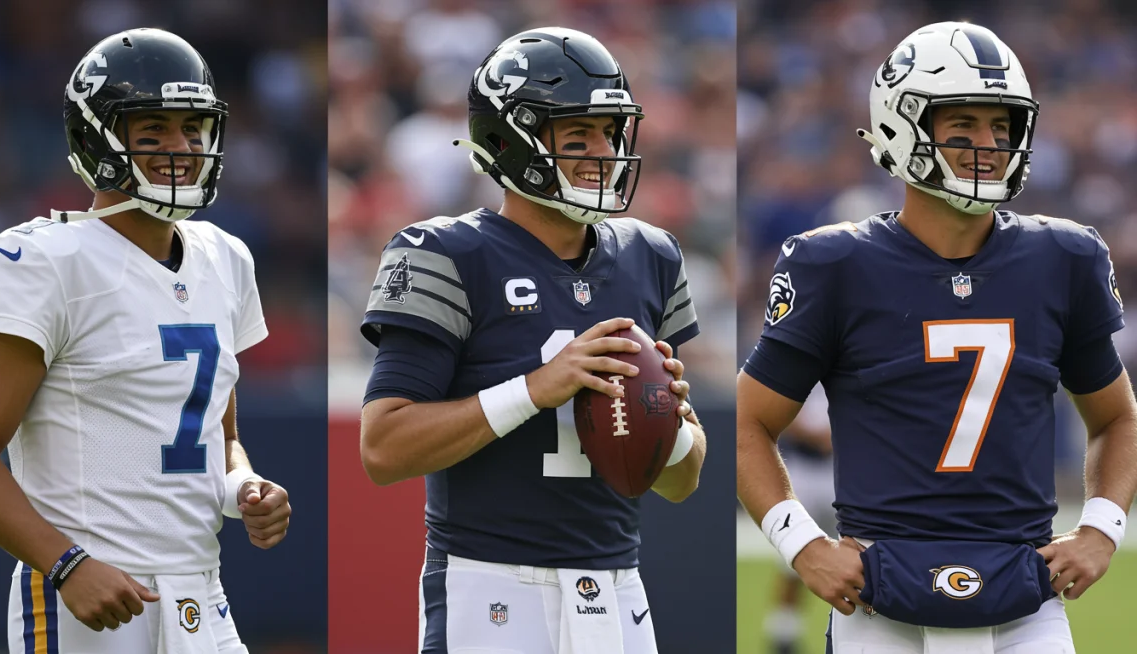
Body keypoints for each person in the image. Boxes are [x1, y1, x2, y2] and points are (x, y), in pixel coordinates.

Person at [737, 21, 1137, 654]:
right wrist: (801, 544)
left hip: (1025, 599)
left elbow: (1116, 417)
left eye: (1002, 127)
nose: (990, 145)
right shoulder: (835, 263)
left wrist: (1101, 527)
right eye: (965, 126)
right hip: (879, 597)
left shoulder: (1063, 256)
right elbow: (746, 421)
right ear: (902, 125)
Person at [0, 28, 291, 654]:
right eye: (151, 129)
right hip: (91, 601)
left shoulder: (226, 256)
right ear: (95, 137)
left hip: (202, 598)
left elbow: (221, 435)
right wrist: (67, 564)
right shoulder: (42, 260)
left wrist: (244, 486)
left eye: (192, 128)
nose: (179, 147)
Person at [358, 27, 706, 654]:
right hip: (490, 587)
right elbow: (382, 449)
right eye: (578, 136)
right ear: (509, 142)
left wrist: (671, 424)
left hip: (621, 589)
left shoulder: (650, 255)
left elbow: (683, 482)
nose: (603, 152)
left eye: (610, 132)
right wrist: (536, 390)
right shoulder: (444, 252)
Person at [761, 386, 834, 654]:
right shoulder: (802, 365)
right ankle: (783, 634)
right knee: (793, 558)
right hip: (802, 468)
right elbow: (776, 413)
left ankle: (863, 627)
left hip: (841, 469)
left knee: (860, 550)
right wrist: (818, 435)